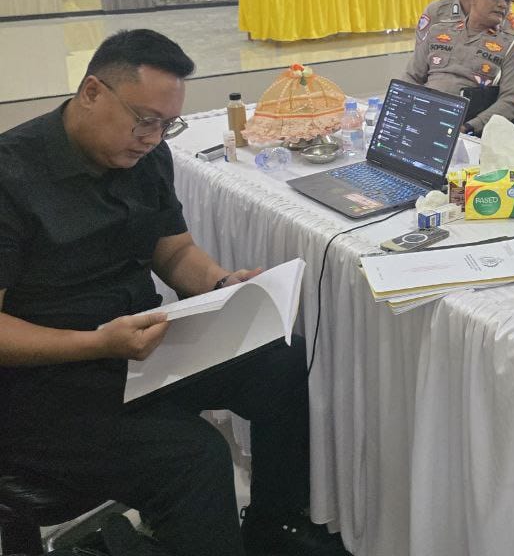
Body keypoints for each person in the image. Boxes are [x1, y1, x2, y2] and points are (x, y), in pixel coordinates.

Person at [0, 30, 349, 556]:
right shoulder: (12, 175)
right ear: (92, 92)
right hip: (42, 387)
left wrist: (223, 284)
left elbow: (175, 251)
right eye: (145, 120)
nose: (153, 138)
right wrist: (97, 343)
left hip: (136, 351)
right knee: (195, 457)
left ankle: (273, 527)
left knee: (280, 359)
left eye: (167, 124)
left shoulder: (146, 157)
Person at [404, 0, 514, 141]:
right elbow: (411, 77)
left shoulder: (512, 46)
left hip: (470, 128)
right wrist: (408, 108)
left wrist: (468, 127)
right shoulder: (439, 31)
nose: (503, 4)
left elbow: (511, 101)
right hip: (424, 116)